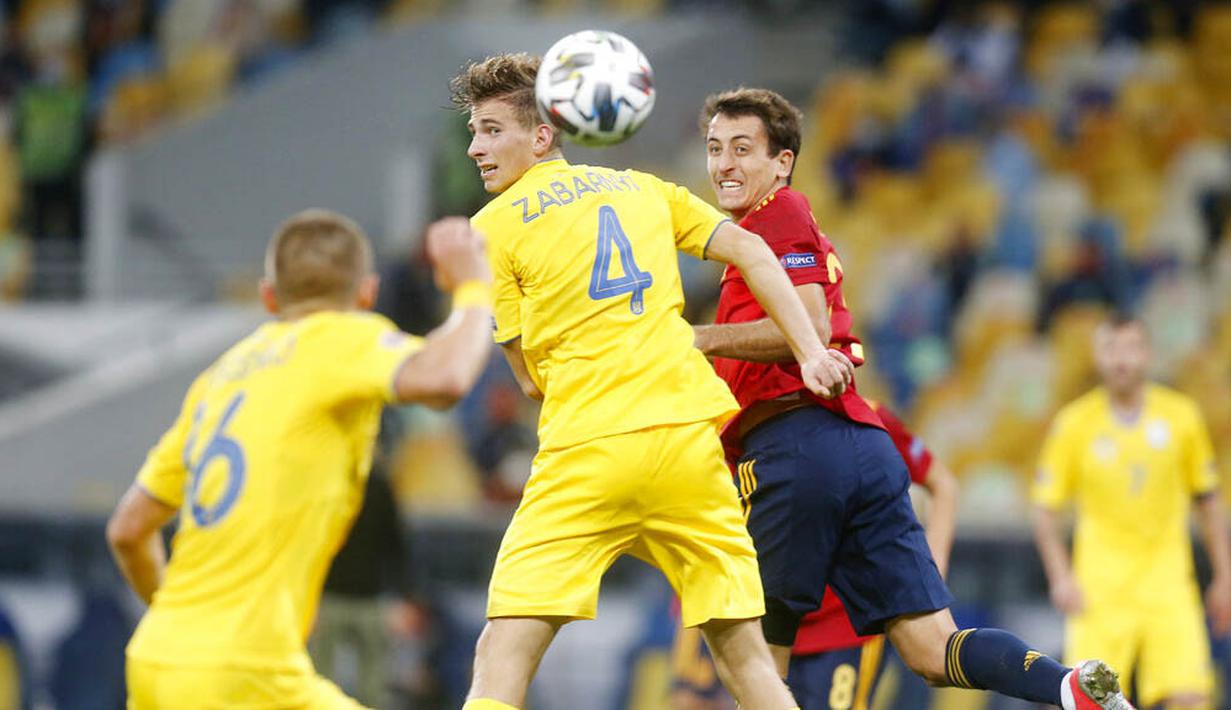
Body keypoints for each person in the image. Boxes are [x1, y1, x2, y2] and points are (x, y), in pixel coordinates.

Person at [691, 86, 1134, 710]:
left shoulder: (778, 213)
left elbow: (811, 327)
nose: (724, 164)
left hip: (794, 448)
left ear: (781, 162)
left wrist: (698, 336)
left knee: (754, 658)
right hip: (863, 447)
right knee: (932, 648)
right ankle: (1065, 685)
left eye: (743, 148)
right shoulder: (756, 242)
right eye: (714, 149)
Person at [451, 53, 853, 710]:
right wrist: (809, 349)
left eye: (492, 129)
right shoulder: (644, 187)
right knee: (744, 656)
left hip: (588, 449)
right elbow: (751, 248)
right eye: (474, 131)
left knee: (504, 649)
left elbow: (529, 382)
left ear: (543, 135)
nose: (475, 147)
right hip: (686, 448)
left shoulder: (489, 230)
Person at [106, 209, 493, 709]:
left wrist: (185, 628)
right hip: (245, 671)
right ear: (367, 294)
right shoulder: (338, 338)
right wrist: (473, 286)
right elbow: (446, 377)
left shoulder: (219, 378)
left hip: (158, 659)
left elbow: (128, 528)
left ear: (270, 297)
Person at [670, 400, 958, 710]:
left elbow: (943, 483)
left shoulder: (864, 416)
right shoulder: (723, 428)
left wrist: (933, 566)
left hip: (843, 627)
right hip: (768, 626)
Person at [1033, 313, 1231, 709]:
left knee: (1191, 698)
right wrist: (1060, 577)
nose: (1122, 360)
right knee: (1090, 701)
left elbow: (1208, 502)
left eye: (1131, 348)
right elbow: (1045, 509)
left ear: (1148, 354)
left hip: (1168, 585)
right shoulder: (1074, 423)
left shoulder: (1182, 417)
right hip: (1100, 590)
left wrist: (1224, 576)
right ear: (1097, 356)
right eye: (1111, 348)